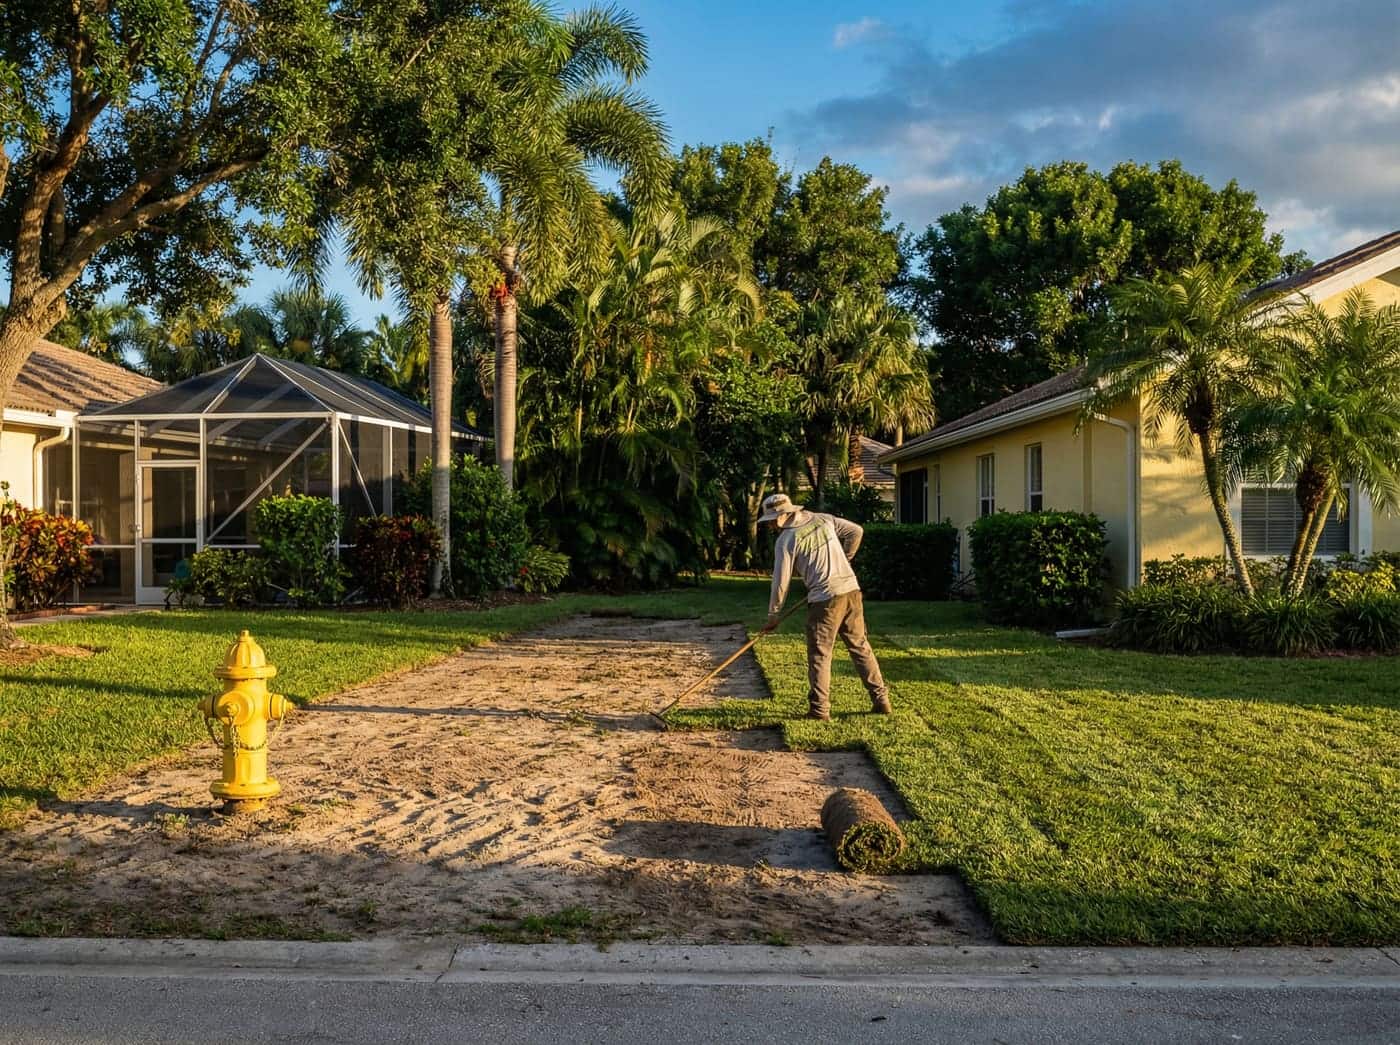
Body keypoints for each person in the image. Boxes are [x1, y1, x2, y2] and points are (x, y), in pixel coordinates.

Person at [758, 493, 892, 721]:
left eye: (771, 520)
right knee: (860, 647)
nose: (770, 525)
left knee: (820, 654)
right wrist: (846, 559)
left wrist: (773, 615)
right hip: (851, 590)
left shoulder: (787, 540)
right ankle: (881, 701)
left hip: (825, 601)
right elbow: (855, 531)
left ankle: (819, 711)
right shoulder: (822, 519)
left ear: (782, 517)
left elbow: (781, 582)